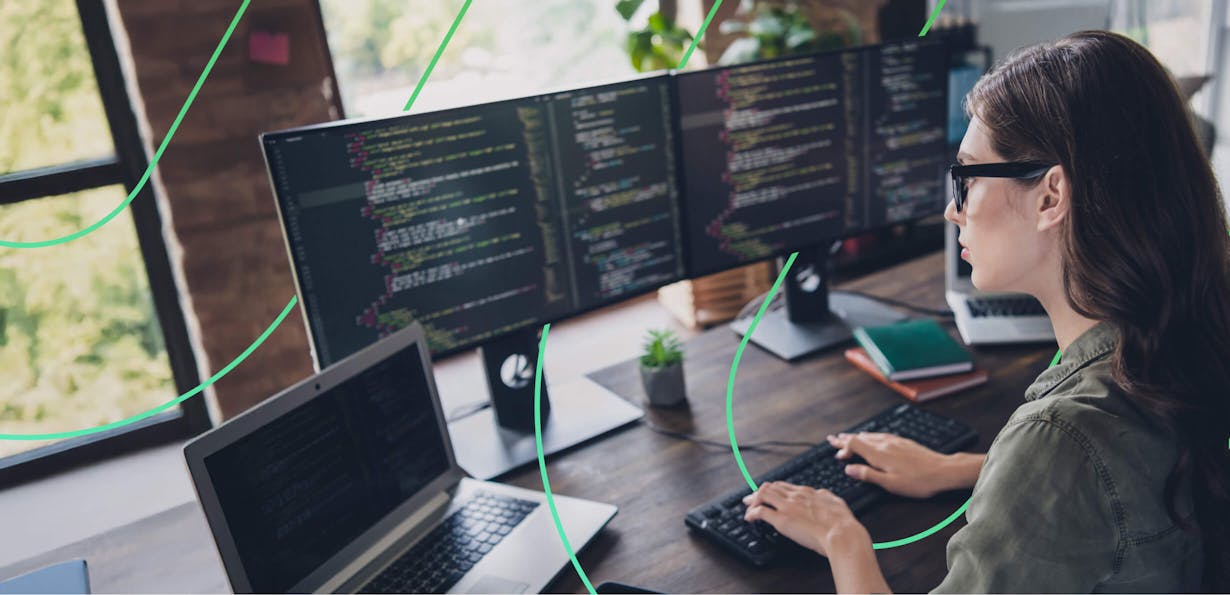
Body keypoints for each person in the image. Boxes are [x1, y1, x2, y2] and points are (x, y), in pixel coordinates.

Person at [743, 30, 1230, 593]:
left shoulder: (1059, 440)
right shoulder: (1187, 327)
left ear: (1051, 197)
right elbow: (1122, 481)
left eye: (968, 178)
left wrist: (840, 538)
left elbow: (1073, 464)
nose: (954, 210)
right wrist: (962, 469)